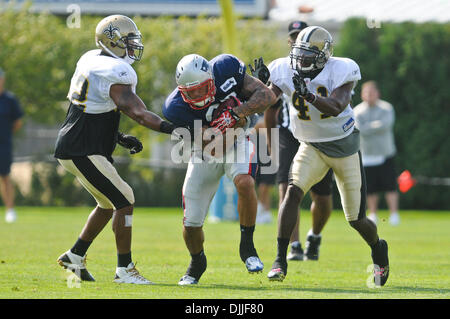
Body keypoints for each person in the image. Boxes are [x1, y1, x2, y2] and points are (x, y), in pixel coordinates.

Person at [259, 26, 389, 286]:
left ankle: (378, 247)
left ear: (323, 56)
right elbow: (268, 99)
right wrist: (257, 86)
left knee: (356, 219)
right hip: (311, 146)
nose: (301, 60)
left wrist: (308, 95)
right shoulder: (283, 68)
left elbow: (337, 105)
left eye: (308, 55)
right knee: (292, 192)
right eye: (299, 54)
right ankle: (280, 260)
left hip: (344, 148)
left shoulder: (342, 69)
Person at [54, 15, 177, 284]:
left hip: (76, 145)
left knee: (108, 204)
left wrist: (118, 136)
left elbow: (86, 110)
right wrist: (172, 128)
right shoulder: (115, 70)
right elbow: (138, 112)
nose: (133, 45)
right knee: (125, 199)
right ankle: (124, 270)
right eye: (128, 40)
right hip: (82, 149)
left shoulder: (90, 59)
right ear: (112, 41)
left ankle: (75, 256)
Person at [162, 53, 276, 285]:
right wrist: (242, 115)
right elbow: (213, 147)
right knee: (191, 221)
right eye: (189, 92)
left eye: (200, 88)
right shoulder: (175, 107)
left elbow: (268, 95)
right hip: (205, 150)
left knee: (245, 182)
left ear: (211, 80)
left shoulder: (226, 67)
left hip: (240, 140)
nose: (195, 95)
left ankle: (248, 247)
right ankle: (197, 262)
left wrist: (237, 114)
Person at [258, 21, 334, 261]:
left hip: (320, 136)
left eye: (298, 37)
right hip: (289, 134)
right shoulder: (282, 69)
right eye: (292, 37)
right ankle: (294, 245)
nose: (294, 42)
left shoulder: (330, 69)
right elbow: (270, 109)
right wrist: (272, 146)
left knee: (322, 198)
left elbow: (338, 106)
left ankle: (315, 235)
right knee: (287, 189)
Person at [354, 81, 400, 226]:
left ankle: (394, 214)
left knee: (390, 185)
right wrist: (374, 126)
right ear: (362, 94)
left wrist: (368, 128)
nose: (369, 95)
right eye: (366, 92)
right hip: (367, 154)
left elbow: (385, 125)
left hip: (385, 153)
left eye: (372, 92)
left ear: (377, 93)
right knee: (370, 187)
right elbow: (358, 128)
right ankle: (373, 213)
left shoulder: (386, 108)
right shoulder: (357, 111)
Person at [0, 68, 23, 224]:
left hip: (4, 145)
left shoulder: (10, 100)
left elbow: (17, 123)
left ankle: (10, 210)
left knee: (5, 177)